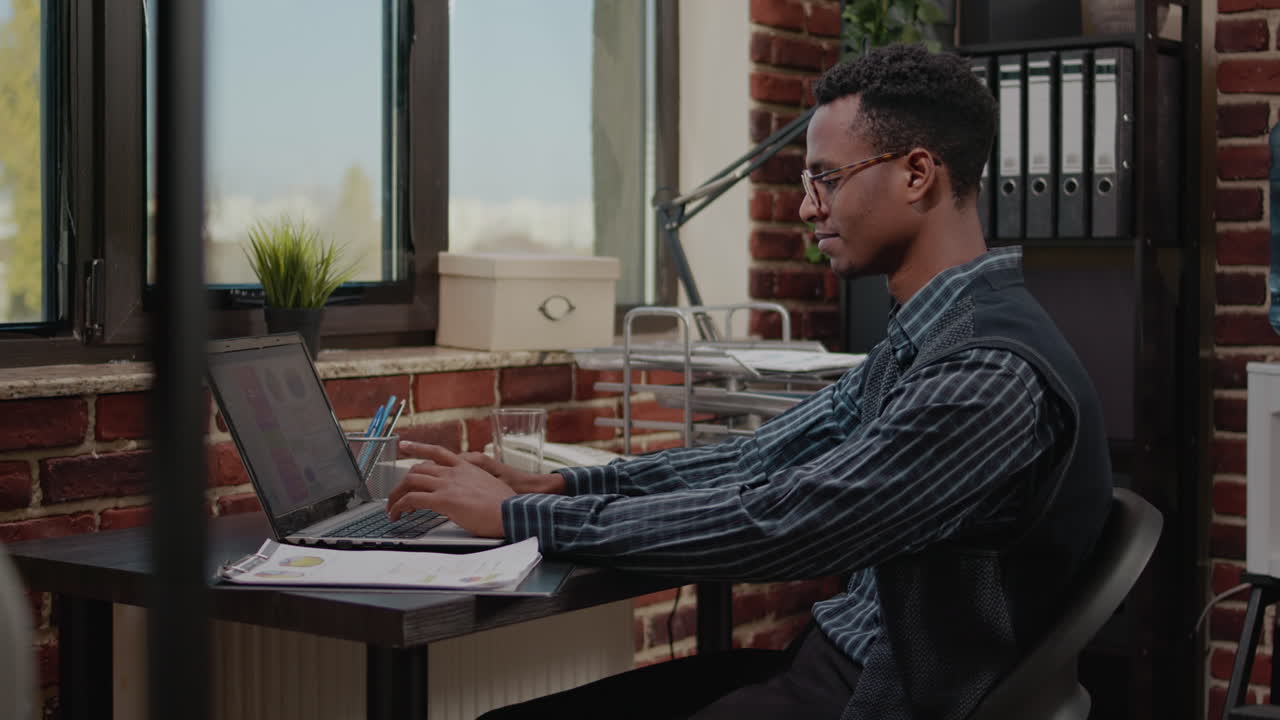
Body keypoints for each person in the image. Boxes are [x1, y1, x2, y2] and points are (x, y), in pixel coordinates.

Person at [388, 44, 1113, 719]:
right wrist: (563, 487)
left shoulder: (985, 374)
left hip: (873, 696)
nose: (807, 207)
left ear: (917, 174)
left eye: (827, 178)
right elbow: (758, 459)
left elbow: (790, 521)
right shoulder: (929, 335)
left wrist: (521, 520)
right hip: (834, 664)